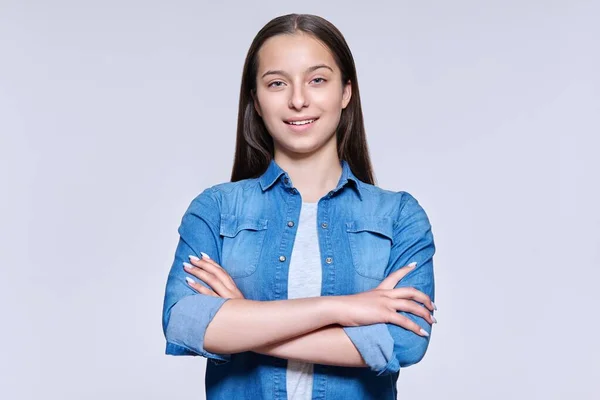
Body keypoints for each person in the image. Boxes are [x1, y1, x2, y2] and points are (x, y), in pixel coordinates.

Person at [161, 13, 437, 400]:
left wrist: (243, 320)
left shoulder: (398, 217)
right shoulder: (217, 210)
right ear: (255, 100)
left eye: (317, 80)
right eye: (277, 83)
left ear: (345, 92)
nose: (298, 99)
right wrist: (342, 309)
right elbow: (184, 323)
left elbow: (403, 343)